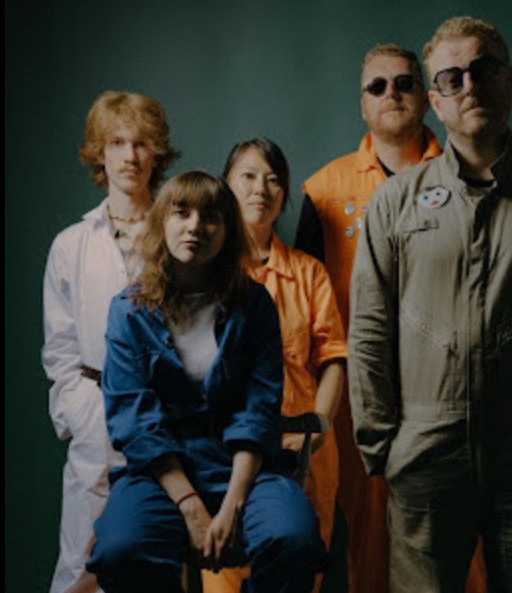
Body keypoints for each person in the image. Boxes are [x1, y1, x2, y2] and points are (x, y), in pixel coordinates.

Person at [347, 16, 512, 593]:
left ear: (510, 81)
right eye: (451, 78)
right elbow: (369, 330)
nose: (468, 86)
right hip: (423, 457)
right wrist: (382, 445)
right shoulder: (395, 203)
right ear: (435, 101)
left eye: (483, 69)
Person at [85, 170, 327, 593]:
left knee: (294, 539)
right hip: (160, 470)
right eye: (182, 212)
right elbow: (135, 422)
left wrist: (233, 503)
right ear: (162, 222)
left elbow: (258, 409)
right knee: (121, 548)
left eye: (211, 217)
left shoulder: (254, 304)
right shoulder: (128, 311)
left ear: (228, 231)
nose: (195, 226)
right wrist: (190, 506)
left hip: (244, 465)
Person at [294, 42, 459, 593]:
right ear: (362, 104)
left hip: (447, 389)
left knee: (453, 536)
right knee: (362, 533)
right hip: (356, 394)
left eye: (405, 82)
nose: (393, 94)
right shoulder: (324, 190)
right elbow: (303, 307)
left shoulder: (464, 177)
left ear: (427, 96)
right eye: (378, 86)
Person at [42, 90, 179, 593]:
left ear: (157, 153)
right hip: (95, 410)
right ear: (99, 153)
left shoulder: (179, 235)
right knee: (81, 561)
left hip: (166, 414)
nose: (130, 156)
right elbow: (59, 346)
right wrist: (77, 413)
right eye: (117, 143)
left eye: (141, 143)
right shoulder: (71, 244)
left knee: (156, 556)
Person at [201, 138, 347, 593]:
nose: (260, 189)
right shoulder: (205, 273)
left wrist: (319, 427)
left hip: (303, 448)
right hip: (224, 453)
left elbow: (334, 357)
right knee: (224, 573)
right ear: (226, 186)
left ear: (284, 194)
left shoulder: (309, 273)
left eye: (272, 180)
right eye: (247, 176)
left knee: (297, 571)